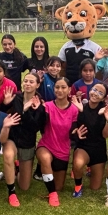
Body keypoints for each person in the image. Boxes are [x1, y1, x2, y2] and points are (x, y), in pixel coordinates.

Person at [36, 78, 83, 206]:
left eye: (63, 87)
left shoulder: (74, 109)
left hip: (62, 151)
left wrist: (76, 132)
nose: (59, 90)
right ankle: (52, 194)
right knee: (45, 158)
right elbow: (39, 123)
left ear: (69, 90)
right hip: (46, 145)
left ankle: (45, 175)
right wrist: (38, 110)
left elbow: (74, 129)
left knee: (59, 186)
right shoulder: (47, 106)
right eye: (57, 87)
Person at [0, 73, 45, 194]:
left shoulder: (39, 102)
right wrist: (6, 103)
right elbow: (3, 114)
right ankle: (11, 189)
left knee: (24, 186)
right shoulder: (16, 97)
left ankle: (17, 169)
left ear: (37, 85)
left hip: (27, 142)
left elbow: (35, 127)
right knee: (8, 155)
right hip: (12, 138)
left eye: (31, 82)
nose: (27, 84)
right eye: (25, 81)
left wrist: (28, 112)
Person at [71, 83, 108, 198]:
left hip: (98, 149)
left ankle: (90, 168)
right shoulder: (80, 106)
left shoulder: (105, 111)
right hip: (84, 147)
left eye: (100, 93)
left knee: (95, 187)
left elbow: (105, 135)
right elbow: (72, 127)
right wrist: (80, 112)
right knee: (77, 164)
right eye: (94, 90)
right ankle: (78, 186)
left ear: (103, 98)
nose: (95, 93)